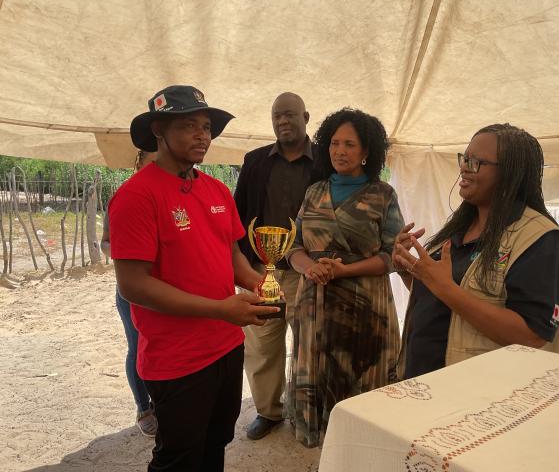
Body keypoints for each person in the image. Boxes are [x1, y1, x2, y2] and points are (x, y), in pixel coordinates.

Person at [109, 85, 279, 472]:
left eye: (206, 126)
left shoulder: (216, 189)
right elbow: (133, 284)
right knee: (179, 457)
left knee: (216, 442)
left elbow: (231, 254)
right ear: (158, 130)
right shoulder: (137, 196)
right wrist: (220, 309)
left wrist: (259, 284)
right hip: (178, 359)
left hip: (227, 346)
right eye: (189, 125)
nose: (203, 135)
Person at [393, 123, 559, 379]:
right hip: (420, 383)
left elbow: (531, 335)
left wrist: (446, 289)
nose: (464, 167)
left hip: (476, 395)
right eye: (464, 159)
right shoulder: (460, 229)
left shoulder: (540, 240)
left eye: (476, 162)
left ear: (510, 173)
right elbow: (441, 300)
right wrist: (407, 270)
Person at [286, 108, 405, 448]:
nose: (340, 151)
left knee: (362, 378)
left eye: (350, 144)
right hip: (316, 304)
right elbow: (293, 246)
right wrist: (309, 267)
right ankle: (324, 441)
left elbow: (391, 257)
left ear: (367, 152)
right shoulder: (314, 192)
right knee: (320, 369)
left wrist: (344, 270)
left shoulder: (383, 195)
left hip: (365, 307)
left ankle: (361, 446)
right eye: (334, 143)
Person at [233, 92, 321, 440]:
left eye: (289, 115)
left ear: (306, 116)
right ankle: (269, 411)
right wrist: (245, 268)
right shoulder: (254, 161)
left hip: (307, 271)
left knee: (308, 344)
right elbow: (239, 215)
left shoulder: (324, 163)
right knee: (261, 345)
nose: (282, 121)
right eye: (276, 116)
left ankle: (304, 411)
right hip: (260, 272)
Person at [100, 149, 157, 437]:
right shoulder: (124, 198)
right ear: (139, 164)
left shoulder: (168, 198)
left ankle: (159, 404)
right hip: (132, 291)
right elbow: (106, 244)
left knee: (159, 346)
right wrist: (125, 252)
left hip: (163, 290)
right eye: (152, 163)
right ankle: (143, 407)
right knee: (137, 347)